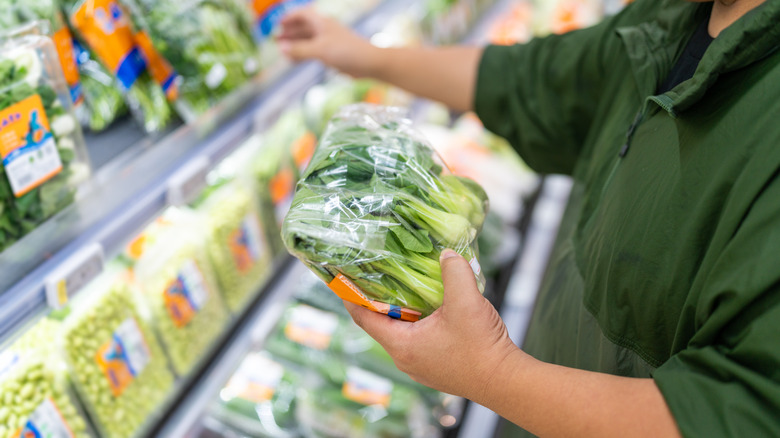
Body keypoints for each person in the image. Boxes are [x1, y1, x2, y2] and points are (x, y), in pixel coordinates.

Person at [278, 0, 780, 436]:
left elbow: (741, 417)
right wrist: (363, 57)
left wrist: (492, 373)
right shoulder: (674, 16)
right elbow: (532, 81)